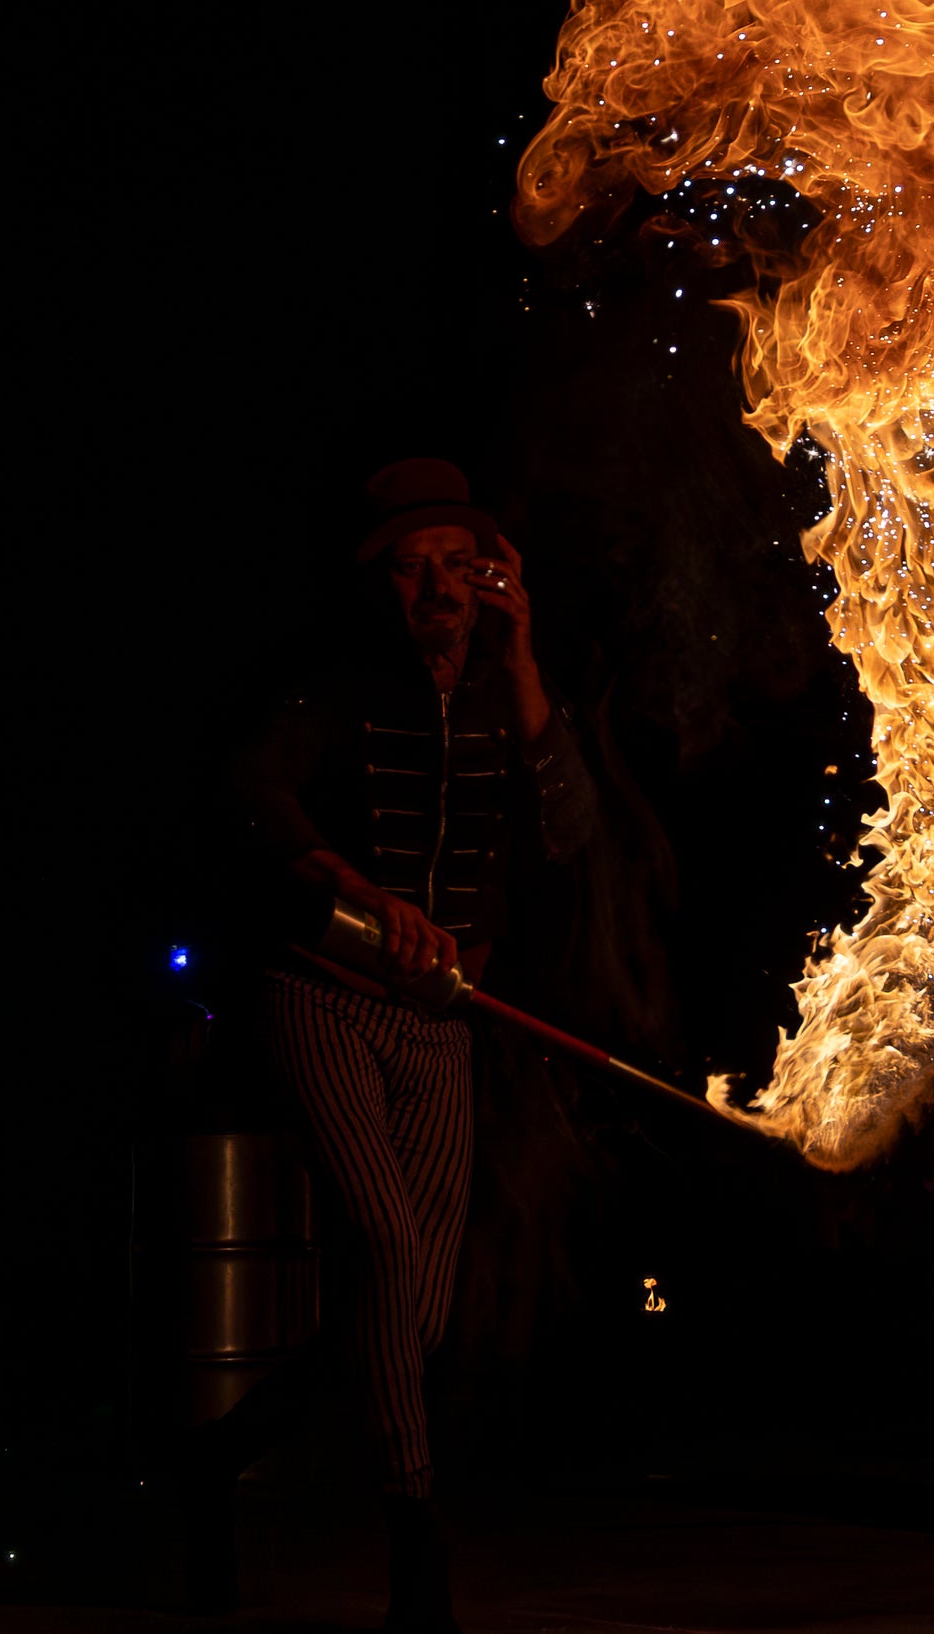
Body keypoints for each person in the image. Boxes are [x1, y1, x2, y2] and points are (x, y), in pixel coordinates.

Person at [180, 458, 596, 1631]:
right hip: (322, 994)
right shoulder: (339, 687)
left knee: (406, 1314)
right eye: (412, 565)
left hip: (441, 1024)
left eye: (457, 562)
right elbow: (249, 785)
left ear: (491, 577)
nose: (438, 585)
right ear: (382, 583)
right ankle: (419, 1554)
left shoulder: (511, 691)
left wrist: (523, 665)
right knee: (377, 1239)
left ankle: (220, 1457)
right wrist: (355, 883)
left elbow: (570, 831)